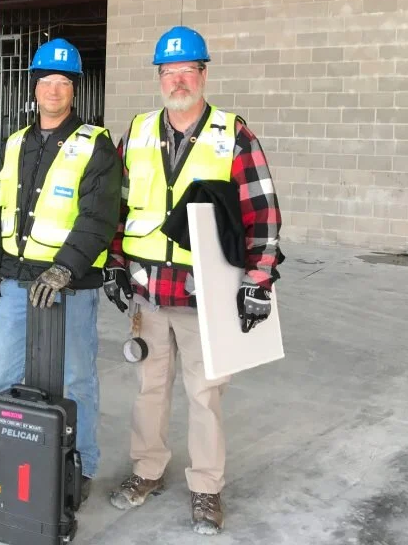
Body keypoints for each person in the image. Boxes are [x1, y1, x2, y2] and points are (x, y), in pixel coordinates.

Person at [105, 26, 283, 535]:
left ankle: (206, 486)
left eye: (187, 70)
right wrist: (114, 262)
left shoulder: (233, 134)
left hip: (204, 293)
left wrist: (259, 279)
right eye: (169, 71)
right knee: (149, 388)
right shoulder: (138, 132)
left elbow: (262, 212)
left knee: (205, 393)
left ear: (203, 74)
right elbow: (116, 205)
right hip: (148, 290)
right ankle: (147, 470)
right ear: (158, 77)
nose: (177, 80)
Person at [0, 38, 120, 504]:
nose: (53, 90)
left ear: (75, 89)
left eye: (63, 82)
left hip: (71, 286)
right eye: (46, 81)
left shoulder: (95, 144)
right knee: (2, 375)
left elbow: (99, 216)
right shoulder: (15, 144)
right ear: (34, 87)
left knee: (75, 379)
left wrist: (65, 269)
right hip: (17, 282)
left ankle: (80, 466)